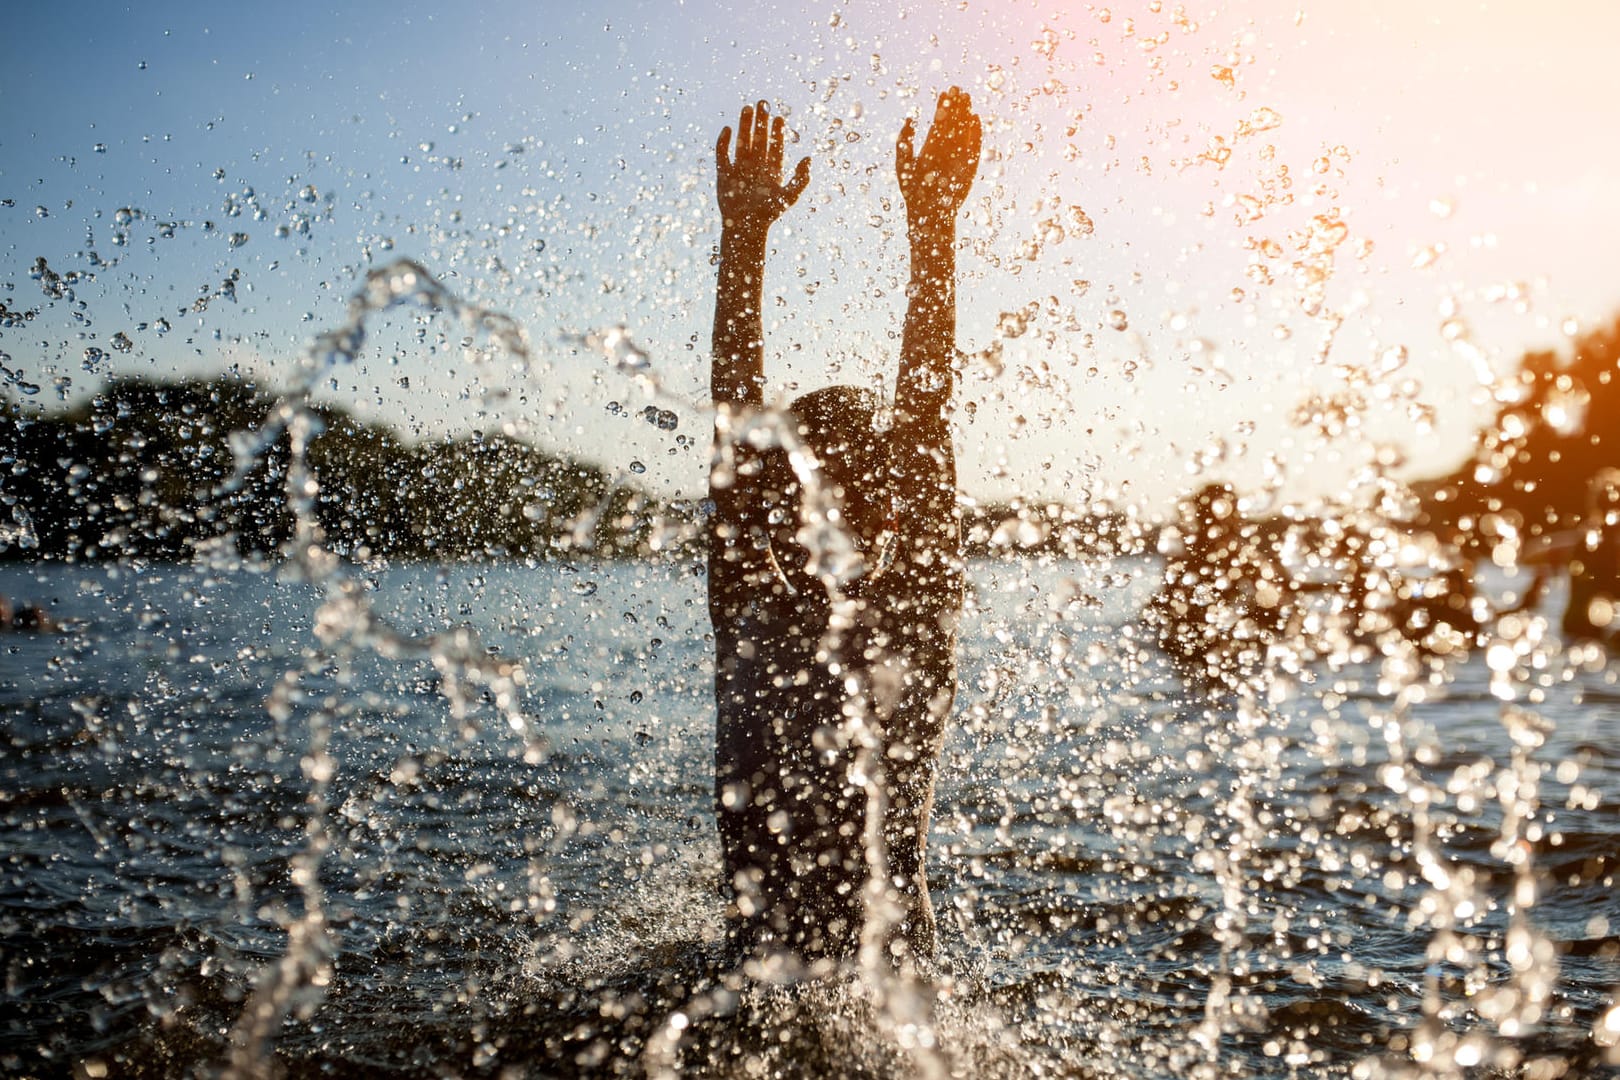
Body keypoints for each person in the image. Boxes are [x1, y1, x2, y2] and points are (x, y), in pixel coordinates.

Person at [706, 89, 981, 966]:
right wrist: (743, 247)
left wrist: (933, 234)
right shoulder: (758, 602)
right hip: (825, 1001)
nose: (830, 509)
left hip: (840, 996)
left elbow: (923, 415)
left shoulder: (902, 602)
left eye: (853, 486)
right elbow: (740, 426)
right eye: (809, 487)